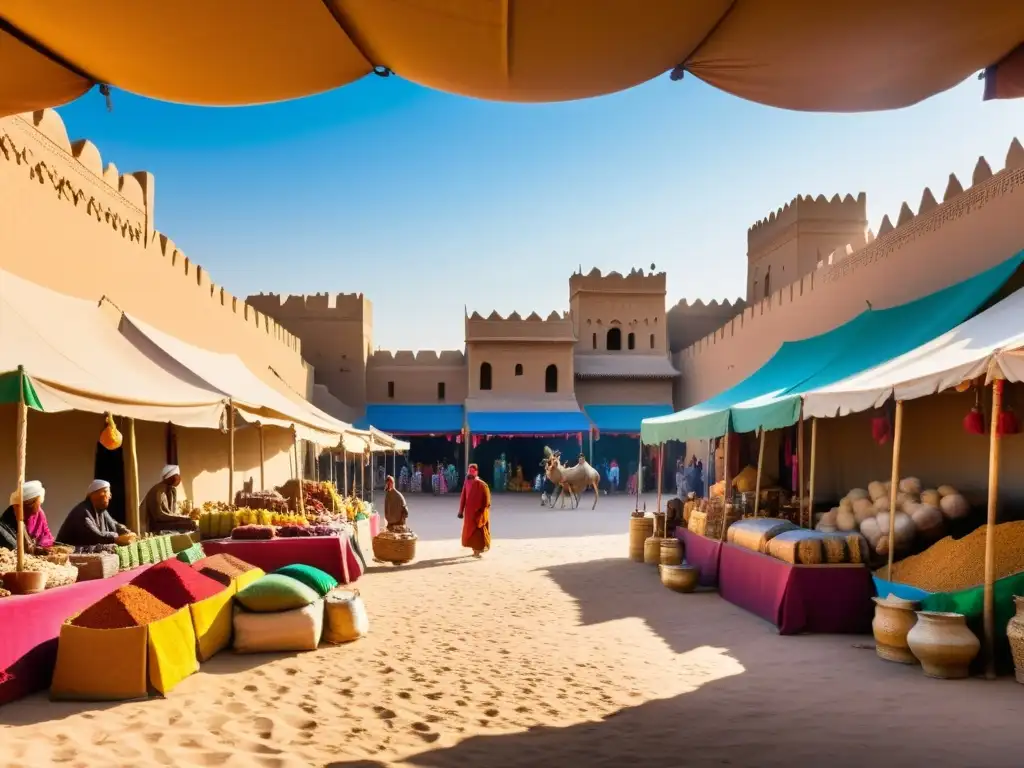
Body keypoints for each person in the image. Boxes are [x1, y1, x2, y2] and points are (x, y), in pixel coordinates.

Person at [57, 479, 136, 547]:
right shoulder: (82, 512)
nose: (110, 496)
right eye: (108, 492)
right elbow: (96, 536)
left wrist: (126, 532)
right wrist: (117, 538)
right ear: (98, 494)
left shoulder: (101, 511)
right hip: (68, 553)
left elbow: (113, 524)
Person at [0, 480, 55, 553]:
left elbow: (46, 534)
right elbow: (12, 546)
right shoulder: (9, 519)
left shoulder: (39, 513)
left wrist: (43, 546)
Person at [141, 464, 197, 533]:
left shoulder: (171, 490)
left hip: (163, 523)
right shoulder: (158, 490)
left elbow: (171, 513)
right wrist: (182, 518)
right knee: (189, 524)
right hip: (153, 526)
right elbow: (159, 516)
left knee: (190, 523)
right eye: (177, 476)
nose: (179, 478)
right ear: (171, 477)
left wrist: (183, 517)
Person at [458, 464, 491, 558]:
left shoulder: (481, 484)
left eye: (472, 471)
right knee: (471, 532)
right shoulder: (467, 482)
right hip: (469, 513)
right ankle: (475, 551)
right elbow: (463, 497)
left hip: (478, 513)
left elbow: (486, 500)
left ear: (476, 472)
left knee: (478, 531)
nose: (470, 474)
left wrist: (483, 510)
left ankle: (477, 551)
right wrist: (460, 511)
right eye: (469, 471)